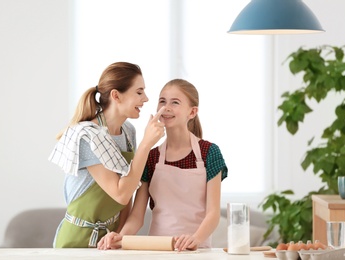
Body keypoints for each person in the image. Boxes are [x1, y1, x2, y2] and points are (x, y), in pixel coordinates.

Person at [97, 79, 228, 251]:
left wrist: (195, 239)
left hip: (197, 250)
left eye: (175, 102)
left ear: (192, 112)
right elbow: (137, 216)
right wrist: (121, 236)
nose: (166, 107)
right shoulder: (151, 157)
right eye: (162, 101)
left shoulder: (209, 153)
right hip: (159, 249)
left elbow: (213, 214)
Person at [48, 61, 166, 248]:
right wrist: (146, 144)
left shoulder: (128, 132)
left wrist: (119, 236)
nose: (146, 99)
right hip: (75, 240)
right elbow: (120, 193)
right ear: (116, 95)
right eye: (139, 92)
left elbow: (128, 190)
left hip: (109, 240)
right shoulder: (87, 136)